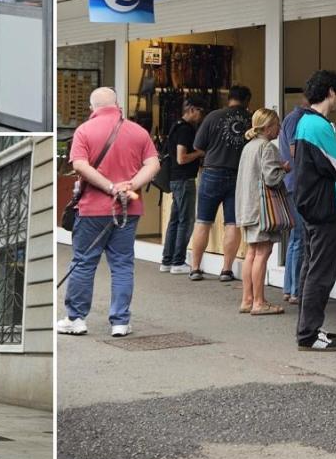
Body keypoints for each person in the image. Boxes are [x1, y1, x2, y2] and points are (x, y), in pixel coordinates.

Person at [58, 87, 159, 338]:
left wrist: (109, 187)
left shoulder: (84, 131)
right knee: (122, 264)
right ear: (118, 106)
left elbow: (79, 165)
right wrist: (130, 186)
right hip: (127, 209)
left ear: (91, 109)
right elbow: (153, 164)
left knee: (83, 263)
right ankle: (120, 322)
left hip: (92, 209)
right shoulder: (138, 131)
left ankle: (76, 319)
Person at [291, 70, 336, 352]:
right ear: (330, 92)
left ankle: (307, 328)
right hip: (324, 204)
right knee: (321, 272)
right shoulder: (319, 125)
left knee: (310, 267)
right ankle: (309, 334)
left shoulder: (304, 122)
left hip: (309, 204)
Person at [188, 85, 252, 282]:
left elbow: (197, 145)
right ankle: (226, 270)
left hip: (212, 172)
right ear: (247, 100)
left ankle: (195, 268)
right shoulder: (251, 120)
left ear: (229, 98)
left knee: (203, 221)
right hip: (238, 175)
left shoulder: (213, 116)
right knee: (232, 223)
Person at [235, 108, 290, 316]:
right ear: (267, 128)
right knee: (262, 253)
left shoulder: (249, 146)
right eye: (277, 125)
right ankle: (259, 302)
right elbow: (271, 178)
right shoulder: (267, 147)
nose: (279, 129)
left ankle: (247, 299)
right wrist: (284, 169)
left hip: (248, 207)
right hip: (262, 209)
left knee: (251, 253)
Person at [159, 99, 204, 272]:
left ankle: (167, 260)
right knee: (186, 220)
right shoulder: (185, 129)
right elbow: (181, 158)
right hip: (184, 179)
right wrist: (199, 153)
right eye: (200, 111)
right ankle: (178, 261)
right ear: (191, 110)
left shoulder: (175, 126)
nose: (201, 115)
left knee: (175, 221)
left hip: (176, 179)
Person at [277, 93, 312, 302]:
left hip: (293, 183)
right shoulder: (297, 119)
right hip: (296, 183)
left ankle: (290, 288)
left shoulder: (294, 118)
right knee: (299, 236)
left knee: (295, 237)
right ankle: (295, 289)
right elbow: (294, 150)